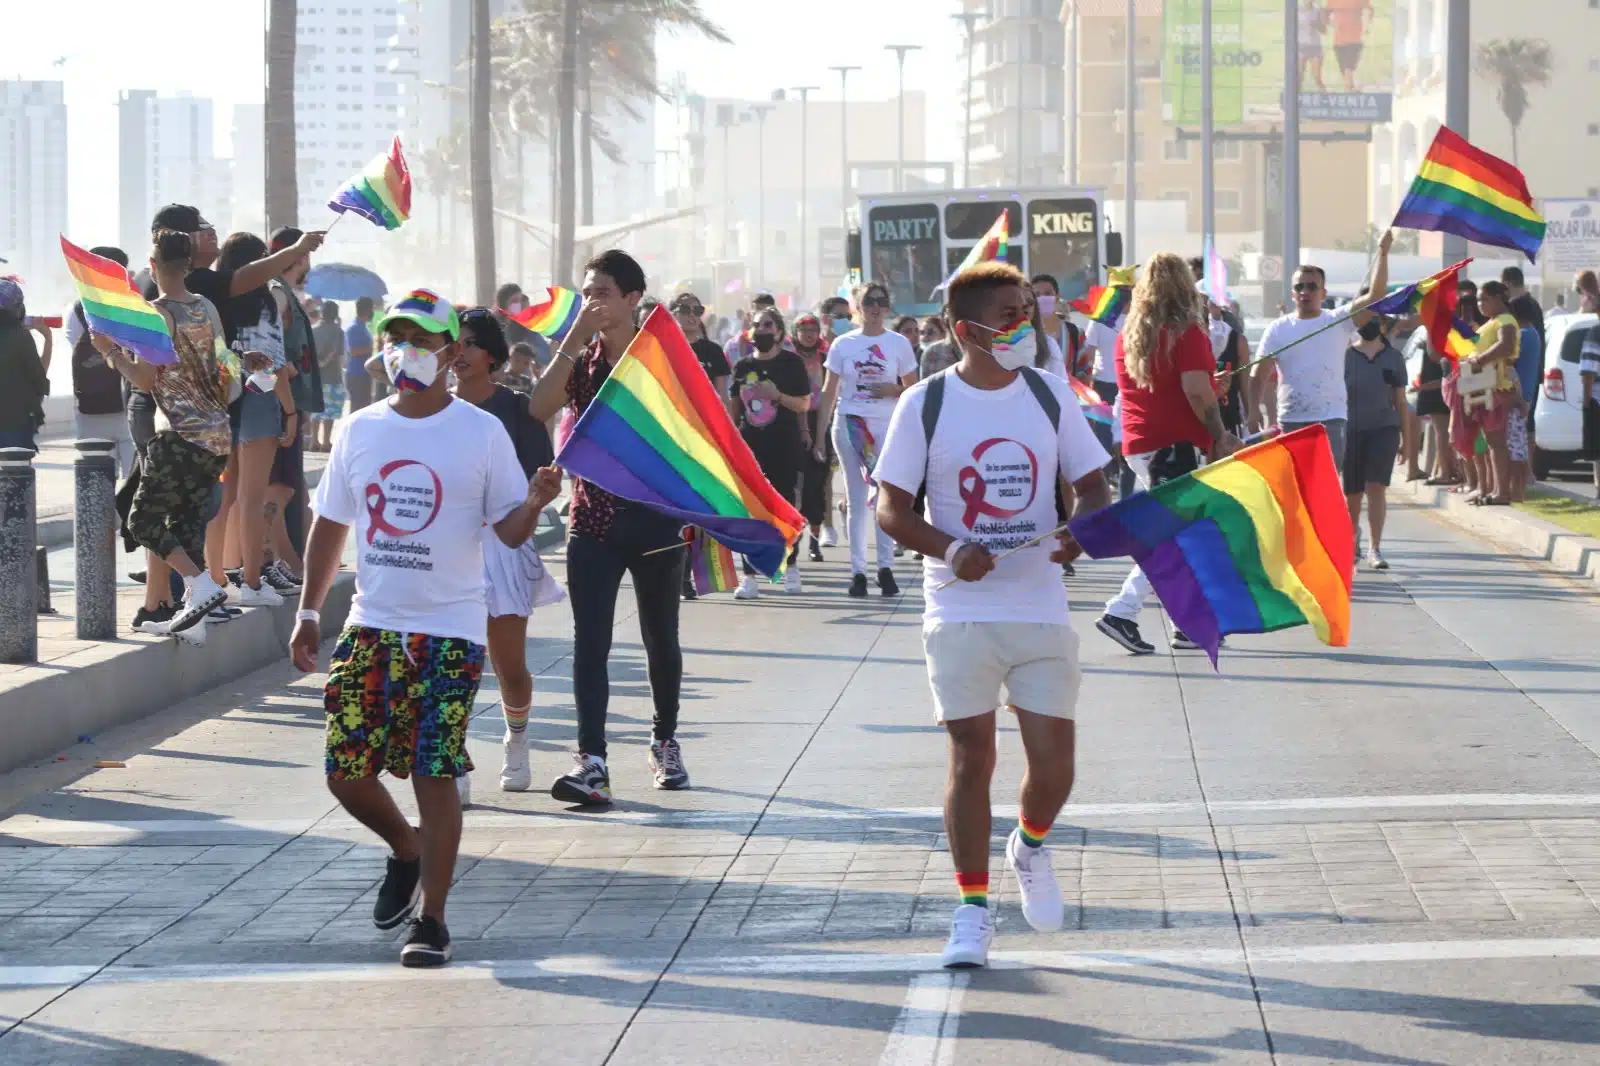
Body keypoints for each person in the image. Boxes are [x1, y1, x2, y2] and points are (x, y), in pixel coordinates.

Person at [289, 287, 560, 968]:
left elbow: (507, 530)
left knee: (432, 771)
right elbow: (331, 524)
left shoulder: (480, 431)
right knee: (345, 772)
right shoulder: (361, 427)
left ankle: (433, 921)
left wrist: (534, 498)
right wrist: (309, 611)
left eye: (419, 339)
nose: (403, 349)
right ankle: (405, 850)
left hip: (450, 629)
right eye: (394, 336)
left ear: (451, 352)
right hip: (373, 623)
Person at [873, 260, 1112, 969]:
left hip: (1039, 602)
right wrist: (949, 548)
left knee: (1056, 768)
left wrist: (1080, 532)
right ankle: (971, 912)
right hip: (960, 608)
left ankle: (1029, 846)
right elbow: (891, 507)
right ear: (961, 330)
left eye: (1026, 314)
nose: (1023, 327)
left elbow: (1094, 486)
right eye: (1006, 316)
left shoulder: (1047, 395)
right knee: (972, 757)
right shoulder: (926, 404)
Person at [529, 250, 690, 803]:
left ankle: (664, 738)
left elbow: (692, 429)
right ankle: (592, 761)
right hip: (592, 520)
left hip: (656, 520)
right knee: (589, 643)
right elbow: (539, 406)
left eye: (602, 291)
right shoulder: (584, 358)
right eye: (587, 291)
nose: (594, 300)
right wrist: (574, 336)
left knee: (659, 638)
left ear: (631, 297)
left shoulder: (661, 355)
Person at [1095, 253, 1243, 656]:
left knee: (1181, 535)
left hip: (1142, 443)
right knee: (1177, 536)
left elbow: (1170, 385)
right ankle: (1122, 611)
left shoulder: (1130, 334)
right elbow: (1195, 391)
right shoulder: (1187, 332)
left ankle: (1184, 624)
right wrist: (1220, 434)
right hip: (1176, 446)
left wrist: (1211, 385)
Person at [92, 230, 233, 643]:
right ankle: (194, 621)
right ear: (188, 264)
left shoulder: (155, 315)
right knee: (186, 524)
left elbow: (144, 379)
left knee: (142, 520)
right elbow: (225, 363)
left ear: (152, 266)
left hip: (179, 436)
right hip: (217, 436)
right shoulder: (205, 306)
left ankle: (202, 586)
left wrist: (110, 351)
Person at [449, 308, 562, 796]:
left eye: (470, 343)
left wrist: (537, 504)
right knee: (452, 661)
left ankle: (517, 740)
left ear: (492, 354)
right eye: (454, 343)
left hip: (505, 544)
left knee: (508, 665)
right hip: (449, 550)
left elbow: (535, 483)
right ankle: (453, 759)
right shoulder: (434, 408)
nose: (460, 353)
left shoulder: (516, 410)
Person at [1247, 232, 1392, 472]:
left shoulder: (1338, 320)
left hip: (1330, 421)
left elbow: (1376, 297)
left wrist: (1384, 254)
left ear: (1323, 293)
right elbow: (1258, 373)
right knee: (1295, 491)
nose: (1305, 291)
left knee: (1326, 489)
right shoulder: (1277, 329)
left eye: (1312, 286)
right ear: (1292, 294)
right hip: (1291, 420)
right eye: (1299, 287)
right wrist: (1253, 411)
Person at [209, 232, 298, 608]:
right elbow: (273, 365)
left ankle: (213, 577)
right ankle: (250, 582)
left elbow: (216, 353)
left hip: (221, 400)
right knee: (252, 496)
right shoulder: (265, 302)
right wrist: (290, 413)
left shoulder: (214, 301)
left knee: (222, 497)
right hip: (259, 401)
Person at [813, 281, 919, 598]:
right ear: (858, 307)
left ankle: (885, 568)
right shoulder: (843, 345)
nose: (875, 308)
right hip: (850, 425)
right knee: (858, 500)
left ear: (887, 307)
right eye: (868, 302)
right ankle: (858, 572)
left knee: (884, 497)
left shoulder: (898, 343)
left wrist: (893, 390)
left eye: (881, 302)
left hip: (887, 426)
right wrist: (819, 436)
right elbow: (829, 392)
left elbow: (914, 389)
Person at [141, 205, 325, 342]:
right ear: (176, 238)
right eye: (200, 229)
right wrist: (296, 250)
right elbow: (243, 278)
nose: (211, 232)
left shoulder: (189, 281)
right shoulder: (184, 282)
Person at [730, 307, 813, 599]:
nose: (762, 330)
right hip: (750, 448)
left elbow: (803, 404)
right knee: (749, 510)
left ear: (779, 331)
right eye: (757, 325)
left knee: (785, 507)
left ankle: (790, 567)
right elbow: (733, 409)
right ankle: (749, 575)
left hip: (784, 445)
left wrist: (776, 395)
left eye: (768, 325)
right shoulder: (741, 367)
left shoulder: (792, 364)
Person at [64, 247, 135, 476]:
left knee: (96, 481)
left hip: (90, 408)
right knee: (136, 481)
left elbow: (74, 345)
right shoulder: (136, 307)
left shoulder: (75, 309)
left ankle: (99, 514)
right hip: (129, 404)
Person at [1343, 313, 1407, 569]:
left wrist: (1408, 441)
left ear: (1383, 325)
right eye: (1364, 318)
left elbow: (1400, 401)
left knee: (1376, 486)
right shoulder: (1346, 357)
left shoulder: (1393, 358)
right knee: (1354, 493)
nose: (1368, 324)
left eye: (1375, 319)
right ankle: (1351, 539)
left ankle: (1375, 548)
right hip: (1351, 431)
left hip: (1384, 429)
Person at [1462, 280, 1519, 506]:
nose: (1480, 303)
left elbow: (1505, 346)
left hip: (1497, 387)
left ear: (1498, 298)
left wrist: (1479, 360)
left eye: (1484, 299)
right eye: (1478, 299)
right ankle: (1495, 489)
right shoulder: (1493, 321)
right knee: (1490, 441)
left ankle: (1501, 492)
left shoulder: (1505, 320)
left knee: (1496, 442)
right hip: (1485, 387)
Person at [792, 312, 833, 563]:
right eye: (803, 330)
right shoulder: (789, 359)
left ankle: (815, 542)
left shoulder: (826, 359)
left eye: (813, 330)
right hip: (794, 422)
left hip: (820, 421)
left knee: (817, 484)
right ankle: (792, 540)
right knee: (794, 486)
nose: (808, 335)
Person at [0, 280, 50, 453]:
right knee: (16, 476)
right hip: (14, 424)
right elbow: (38, 379)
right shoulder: (20, 336)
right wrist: (48, 339)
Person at [1511, 296, 1543, 497]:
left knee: (1515, 444)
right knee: (1518, 442)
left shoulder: (1523, 335)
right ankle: (1521, 485)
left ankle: (1519, 488)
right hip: (1525, 394)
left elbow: (1508, 359)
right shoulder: (1533, 333)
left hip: (1519, 396)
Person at [311, 300, 345, 451]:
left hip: (315, 377)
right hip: (333, 376)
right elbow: (340, 354)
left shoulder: (313, 330)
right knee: (330, 411)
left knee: (315, 410)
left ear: (321, 313)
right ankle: (325, 442)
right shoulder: (338, 332)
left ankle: (314, 442)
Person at [1578, 271, 1600, 499]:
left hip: (1596, 399)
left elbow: (1588, 373)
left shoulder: (1595, 333)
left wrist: (1586, 401)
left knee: (1597, 453)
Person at [1326, 0, 1372, 92]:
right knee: (1346, 72)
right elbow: (1327, 13)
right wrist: (1333, 23)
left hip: (1354, 39)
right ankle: (1353, 90)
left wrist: (1366, 26)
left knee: (1348, 70)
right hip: (1339, 41)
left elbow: (1368, 11)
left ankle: (1351, 91)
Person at [345, 296, 377, 413]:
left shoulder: (363, 327)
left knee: (364, 408)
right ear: (366, 310)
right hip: (356, 375)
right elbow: (353, 351)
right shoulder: (354, 328)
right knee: (356, 409)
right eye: (372, 309)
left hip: (364, 375)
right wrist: (371, 348)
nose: (373, 312)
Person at [1298, 1, 1327, 91]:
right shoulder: (1297, 10)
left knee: (1317, 78)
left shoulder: (1317, 11)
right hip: (1301, 46)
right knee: (1298, 77)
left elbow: (1324, 30)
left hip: (1315, 47)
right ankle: (1296, 101)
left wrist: (1316, 24)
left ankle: (1326, 100)